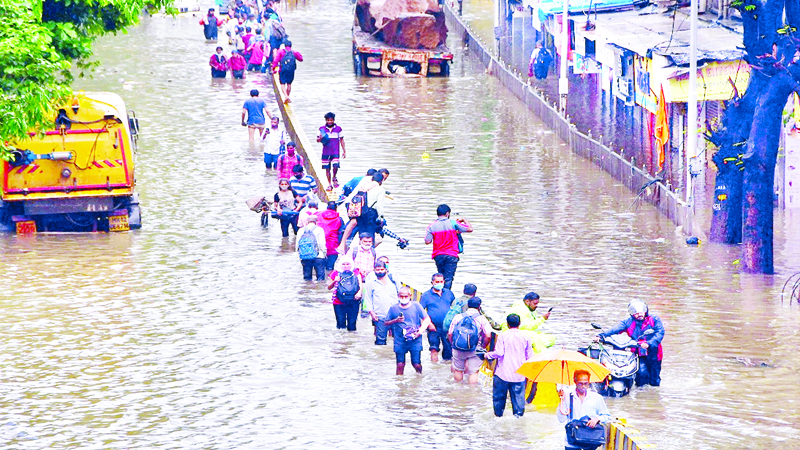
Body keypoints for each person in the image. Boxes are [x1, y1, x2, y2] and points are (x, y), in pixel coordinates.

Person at [594, 300, 665, 387]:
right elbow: (615, 329)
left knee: (655, 378)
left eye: (641, 311)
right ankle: (641, 394)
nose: (639, 314)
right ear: (631, 314)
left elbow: (660, 332)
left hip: (654, 352)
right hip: (638, 353)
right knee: (641, 375)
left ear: (645, 310)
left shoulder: (654, 319)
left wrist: (649, 343)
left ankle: (653, 395)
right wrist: (601, 336)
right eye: (635, 312)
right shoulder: (628, 322)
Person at [484, 313, 533, 417]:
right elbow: (530, 358)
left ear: (507, 324)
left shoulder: (502, 336)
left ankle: (498, 418)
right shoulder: (526, 337)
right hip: (519, 375)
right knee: (519, 403)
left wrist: (487, 355)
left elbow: (499, 353)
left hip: (502, 374)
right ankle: (518, 421)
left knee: (499, 401)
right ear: (519, 323)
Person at [556, 369, 611, 450]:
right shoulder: (567, 397)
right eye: (580, 383)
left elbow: (607, 416)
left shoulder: (596, 397)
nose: (583, 386)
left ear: (589, 382)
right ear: (575, 381)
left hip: (590, 441)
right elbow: (561, 419)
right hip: (572, 442)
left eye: (586, 384)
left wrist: (597, 419)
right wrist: (561, 400)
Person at [424, 204, 473, 290]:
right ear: (447, 214)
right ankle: (446, 296)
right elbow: (470, 229)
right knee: (448, 278)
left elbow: (427, 241)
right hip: (451, 255)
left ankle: (439, 293)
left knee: (441, 276)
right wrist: (464, 219)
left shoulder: (431, 226)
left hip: (438, 255)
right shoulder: (453, 223)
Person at [385, 286, 432, 375]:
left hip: (415, 340)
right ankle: (400, 383)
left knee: (416, 363)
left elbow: (426, 319)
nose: (403, 298)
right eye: (401, 296)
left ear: (410, 296)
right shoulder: (393, 308)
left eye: (405, 296)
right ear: (398, 296)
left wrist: (419, 332)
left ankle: (419, 377)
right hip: (399, 340)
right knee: (400, 364)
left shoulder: (416, 306)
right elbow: (386, 323)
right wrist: (396, 320)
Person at [447, 297, 492, 384]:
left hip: (458, 347)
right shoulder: (482, 318)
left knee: (458, 370)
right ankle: (471, 393)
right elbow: (488, 335)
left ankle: (458, 390)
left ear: (467, 305)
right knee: (473, 372)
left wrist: (453, 344)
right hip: (475, 348)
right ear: (479, 306)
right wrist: (482, 346)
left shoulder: (458, 317)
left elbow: (450, 333)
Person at [419, 273, 456, 362]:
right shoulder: (426, 295)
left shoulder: (449, 293)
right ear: (432, 283)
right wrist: (429, 324)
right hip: (433, 327)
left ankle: (446, 371)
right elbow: (421, 312)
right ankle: (434, 369)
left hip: (447, 327)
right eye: (437, 282)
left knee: (448, 350)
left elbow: (455, 308)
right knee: (434, 348)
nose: (439, 283)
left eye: (441, 281)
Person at [363, 260, 401, 345]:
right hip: (380, 316)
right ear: (374, 271)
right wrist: (372, 313)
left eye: (381, 269)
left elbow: (401, 294)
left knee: (398, 339)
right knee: (380, 341)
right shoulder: (370, 283)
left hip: (395, 315)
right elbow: (367, 299)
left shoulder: (393, 281)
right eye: (377, 270)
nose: (380, 271)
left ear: (386, 270)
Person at [327, 256, 362, 331]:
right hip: (338, 302)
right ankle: (341, 340)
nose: (346, 266)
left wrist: (359, 293)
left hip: (353, 300)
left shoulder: (356, 272)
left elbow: (360, 284)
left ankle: (351, 339)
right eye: (343, 264)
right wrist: (335, 281)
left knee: (352, 325)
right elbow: (329, 287)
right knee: (340, 324)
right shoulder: (335, 273)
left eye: (348, 264)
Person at [317, 112, 346, 191]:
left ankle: (334, 177)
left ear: (333, 120)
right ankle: (329, 184)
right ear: (326, 120)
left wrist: (344, 151)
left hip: (335, 151)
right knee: (327, 168)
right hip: (326, 151)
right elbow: (318, 140)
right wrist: (320, 138)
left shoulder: (338, 129)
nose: (330, 122)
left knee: (335, 165)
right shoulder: (322, 129)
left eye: (331, 120)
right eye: (328, 120)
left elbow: (341, 140)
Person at [296, 214, 326, 281]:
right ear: (316, 221)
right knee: (320, 278)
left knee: (307, 278)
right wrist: (324, 253)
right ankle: (319, 290)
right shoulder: (319, 229)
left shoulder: (301, 230)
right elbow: (322, 244)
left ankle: (307, 290)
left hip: (305, 256)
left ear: (307, 222)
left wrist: (300, 255)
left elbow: (297, 245)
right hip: (318, 256)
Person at [317, 201, 345, 270]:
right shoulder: (339, 219)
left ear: (327, 207)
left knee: (320, 269)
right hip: (333, 245)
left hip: (320, 244)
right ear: (336, 208)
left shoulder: (319, 216)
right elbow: (341, 233)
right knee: (330, 268)